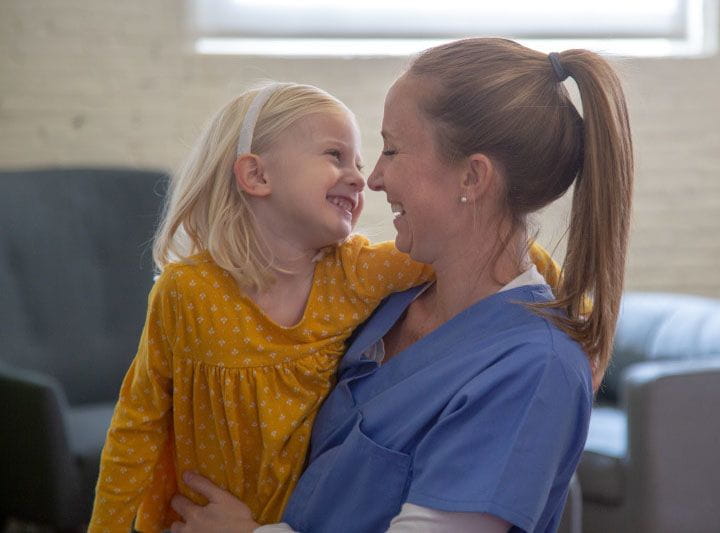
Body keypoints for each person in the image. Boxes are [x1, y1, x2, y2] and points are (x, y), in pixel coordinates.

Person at [169, 36, 633, 533]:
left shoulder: (534, 368)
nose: (374, 180)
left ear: (472, 179)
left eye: (391, 149)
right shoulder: (388, 303)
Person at [87, 80, 564, 532]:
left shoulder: (354, 272)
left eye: (373, 156)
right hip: (195, 517)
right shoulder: (185, 292)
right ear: (256, 174)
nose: (364, 178)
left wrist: (569, 312)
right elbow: (138, 421)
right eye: (336, 157)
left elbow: (500, 253)